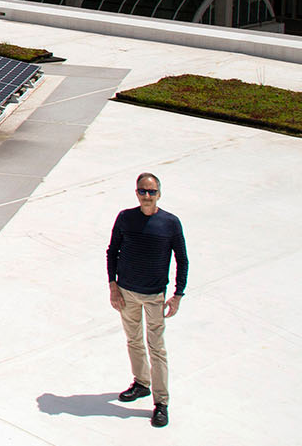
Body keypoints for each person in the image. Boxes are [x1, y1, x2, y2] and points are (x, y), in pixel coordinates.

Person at [106, 172, 188, 428]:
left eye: (151, 191)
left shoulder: (170, 223)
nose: (147, 195)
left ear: (159, 194)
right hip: (126, 292)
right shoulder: (125, 218)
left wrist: (177, 294)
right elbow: (112, 252)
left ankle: (161, 402)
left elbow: (182, 259)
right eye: (143, 191)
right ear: (137, 193)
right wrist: (113, 286)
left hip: (155, 296)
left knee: (157, 348)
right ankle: (141, 384)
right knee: (133, 340)